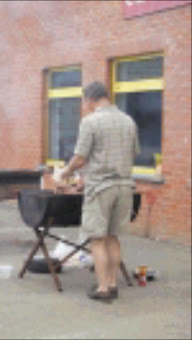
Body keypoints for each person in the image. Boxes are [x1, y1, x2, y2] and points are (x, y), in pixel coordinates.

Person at [53, 81, 139, 302]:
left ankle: (103, 289)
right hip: (125, 186)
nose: (85, 106)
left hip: (101, 189)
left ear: (90, 99)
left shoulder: (90, 122)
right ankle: (113, 283)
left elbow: (80, 158)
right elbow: (133, 153)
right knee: (113, 238)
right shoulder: (128, 121)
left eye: (84, 102)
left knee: (97, 240)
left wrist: (64, 173)